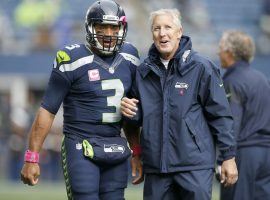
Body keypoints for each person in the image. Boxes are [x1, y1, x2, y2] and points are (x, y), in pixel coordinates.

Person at [20, 0, 140, 199]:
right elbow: (47, 110)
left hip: (114, 145)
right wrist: (32, 157)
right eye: (102, 27)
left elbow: (130, 113)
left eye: (114, 27)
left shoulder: (130, 57)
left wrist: (136, 151)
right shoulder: (71, 58)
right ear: (90, 27)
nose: (109, 34)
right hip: (80, 145)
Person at [121, 8, 238, 200]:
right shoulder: (142, 72)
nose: (162, 33)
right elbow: (137, 119)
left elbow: (221, 116)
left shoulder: (202, 67)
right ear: (152, 34)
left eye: (168, 27)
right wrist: (130, 113)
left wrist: (228, 157)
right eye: (157, 28)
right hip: (156, 169)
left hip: (195, 168)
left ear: (179, 32)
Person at [218, 30, 270, 200]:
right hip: (266, 155)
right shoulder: (262, 78)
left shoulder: (232, 81)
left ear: (229, 51)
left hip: (244, 156)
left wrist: (225, 157)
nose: (218, 53)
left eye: (221, 48)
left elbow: (231, 122)